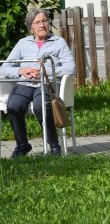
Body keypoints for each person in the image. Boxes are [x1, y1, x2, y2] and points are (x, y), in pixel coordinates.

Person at [1, 8, 75, 157]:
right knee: (13, 106)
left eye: (44, 21)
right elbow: (4, 68)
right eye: (37, 22)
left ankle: (54, 144)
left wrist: (44, 72)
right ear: (31, 27)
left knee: (42, 105)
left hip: (48, 83)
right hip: (25, 83)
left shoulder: (59, 42)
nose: (42, 25)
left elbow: (70, 67)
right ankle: (22, 145)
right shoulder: (23, 43)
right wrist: (20, 71)